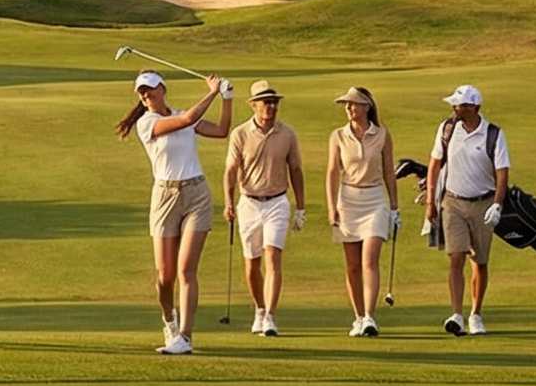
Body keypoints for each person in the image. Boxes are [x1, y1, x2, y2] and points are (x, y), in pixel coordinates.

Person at [115, 68, 231, 355]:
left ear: (163, 88)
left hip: (197, 194)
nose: (145, 94)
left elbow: (221, 131)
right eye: (141, 91)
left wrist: (227, 98)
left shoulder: (181, 113)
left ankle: (186, 338)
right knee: (165, 276)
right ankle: (170, 323)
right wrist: (212, 92)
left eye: (150, 88)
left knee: (186, 270)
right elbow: (188, 120)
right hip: (165, 196)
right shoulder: (147, 123)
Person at [423, 84, 512, 336]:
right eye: (454, 104)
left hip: (483, 203)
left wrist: (497, 204)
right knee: (455, 257)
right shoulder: (447, 129)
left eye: (460, 105)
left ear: (475, 107)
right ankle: (456, 315)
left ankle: (476, 314)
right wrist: (431, 202)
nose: (455, 108)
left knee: (479, 261)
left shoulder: (493, 134)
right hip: (452, 202)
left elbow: (501, 172)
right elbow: (434, 165)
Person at [222, 80, 304, 337]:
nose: (271, 106)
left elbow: (296, 170)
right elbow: (231, 171)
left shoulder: (287, 133)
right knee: (252, 264)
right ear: (254, 105)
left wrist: (300, 208)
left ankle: (270, 315)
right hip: (249, 203)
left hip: (277, 201)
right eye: (266, 102)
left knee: (273, 256)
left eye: (274, 102)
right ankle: (259, 308)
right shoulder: (240, 134)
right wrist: (228, 201)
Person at [324, 86, 397, 337]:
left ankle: (369, 317)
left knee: (369, 260)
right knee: (353, 265)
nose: (349, 108)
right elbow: (333, 172)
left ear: (366, 106)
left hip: (375, 199)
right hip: (348, 199)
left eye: (353, 103)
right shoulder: (338, 136)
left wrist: (395, 207)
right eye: (346, 104)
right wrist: (331, 206)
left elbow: (389, 171)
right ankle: (358, 317)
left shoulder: (382, 134)